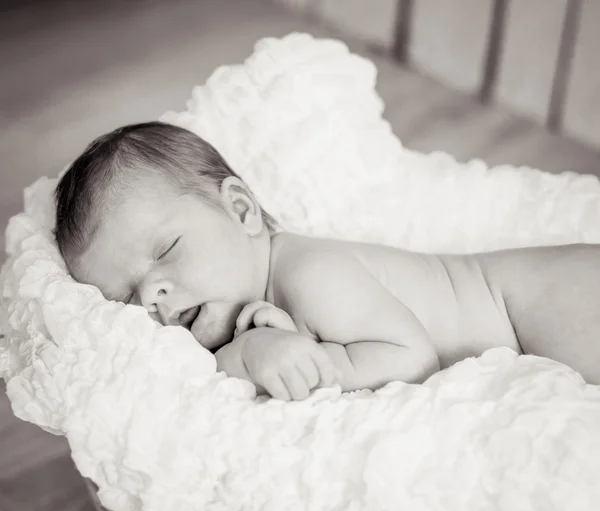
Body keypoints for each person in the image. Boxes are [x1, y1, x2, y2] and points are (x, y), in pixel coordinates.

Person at [54, 122, 600, 400]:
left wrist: (315, 365)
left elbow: (412, 359)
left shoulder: (308, 272)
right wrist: (252, 355)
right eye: (128, 296)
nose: (153, 296)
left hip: (536, 302)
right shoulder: (241, 314)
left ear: (241, 210)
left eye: (166, 251)